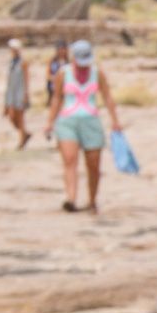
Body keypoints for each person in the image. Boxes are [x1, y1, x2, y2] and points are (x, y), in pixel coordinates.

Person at [44, 40, 122, 214]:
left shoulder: (97, 73)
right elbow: (57, 98)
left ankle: (92, 201)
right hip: (67, 121)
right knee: (70, 160)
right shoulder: (63, 74)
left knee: (93, 164)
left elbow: (108, 97)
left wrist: (115, 120)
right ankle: (71, 199)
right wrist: (49, 122)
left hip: (91, 121)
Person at [2, 38, 29, 149]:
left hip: (20, 92)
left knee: (20, 117)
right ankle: (25, 134)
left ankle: (22, 140)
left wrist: (26, 94)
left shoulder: (23, 62)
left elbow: (26, 79)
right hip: (11, 93)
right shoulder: (11, 62)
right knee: (11, 117)